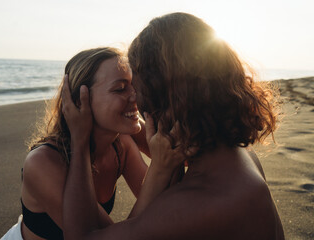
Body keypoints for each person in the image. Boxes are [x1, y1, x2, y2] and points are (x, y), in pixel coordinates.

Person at [61, 12, 285, 239]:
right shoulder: (239, 156)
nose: (134, 95)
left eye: (135, 80)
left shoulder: (195, 203)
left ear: (159, 90)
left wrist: (79, 143)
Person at [1, 47, 149, 240]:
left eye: (134, 86)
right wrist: (162, 165)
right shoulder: (44, 161)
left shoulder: (121, 144)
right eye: (120, 88)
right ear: (80, 100)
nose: (135, 95)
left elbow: (162, 202)